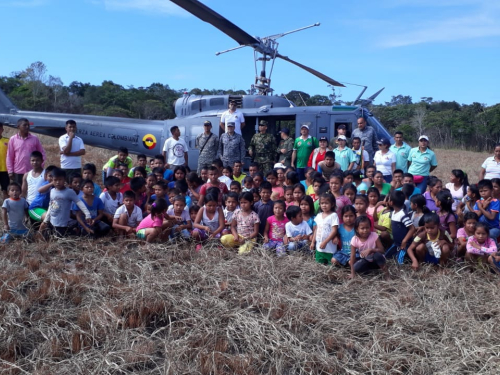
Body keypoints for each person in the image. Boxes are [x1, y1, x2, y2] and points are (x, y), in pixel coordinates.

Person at [39, 168, 92, 238]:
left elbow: (79, 203)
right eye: (55, 180)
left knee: (60, 240)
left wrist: (87, 214)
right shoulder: (52, 191)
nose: (57, 182)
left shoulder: (69, 192)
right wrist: (46, 220)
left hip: (62, 225)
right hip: (52, 222)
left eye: (60, 180)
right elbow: (51, 206)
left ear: (64, 180)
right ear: (52, 180)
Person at [7, 118, 46, 185]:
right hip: (18, 171)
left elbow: (42, 153)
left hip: (32, 171)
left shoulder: (34, 138)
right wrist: (10, 171)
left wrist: (41, 166)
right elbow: (10, 156)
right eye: (24, 125)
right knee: (19, 192)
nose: (27, 127)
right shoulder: (13, 139)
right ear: (18, 126)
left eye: (28, 125)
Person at [310, 193, 339, 265]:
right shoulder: (319, 216)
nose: (324, 205)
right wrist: (313, 242)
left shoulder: (333, 215)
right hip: (319, 246)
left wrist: (325, 242)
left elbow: (334, 230)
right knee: (319, 265)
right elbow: (316, 229)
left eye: (326, 203)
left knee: (330, 266)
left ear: (332, 204)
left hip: (329, 247)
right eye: (322, 203)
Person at [0, 122, 10, 199]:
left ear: (2, 130)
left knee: (5, 189)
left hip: (4, 169)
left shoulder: (8, 141)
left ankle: (5, 205)